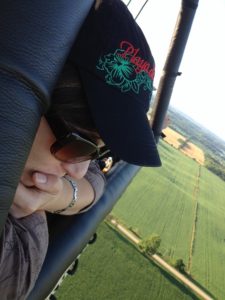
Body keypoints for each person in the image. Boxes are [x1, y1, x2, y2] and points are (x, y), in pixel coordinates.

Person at [0, 0, 161, 299]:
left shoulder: (54, 152)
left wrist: (59, 195)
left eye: (98, 153)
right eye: (78, 144)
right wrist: (40, 208)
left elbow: (94, 178)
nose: (76, 170)